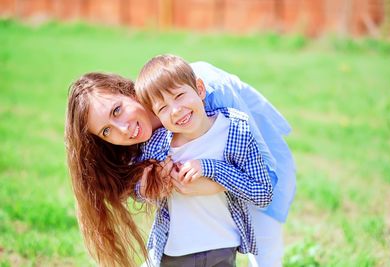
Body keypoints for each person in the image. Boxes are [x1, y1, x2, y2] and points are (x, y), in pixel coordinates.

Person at [65, 59, 295, 267]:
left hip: (262, 165)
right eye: (106, 130)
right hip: (195, 241)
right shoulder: (145, 140)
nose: (123, 128)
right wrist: (147, 187)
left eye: (117, 110)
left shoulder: (207, 101)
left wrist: (214, 182)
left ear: (130, 92)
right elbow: (134, 182)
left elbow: (265, 182)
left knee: (266, 256)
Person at [133, 54, 274, 266]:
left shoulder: (234, 130)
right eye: (162, 108)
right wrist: (154, 180)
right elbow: (138, 193)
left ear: (200, 89)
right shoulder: (158, 145)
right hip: (174, 251)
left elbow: (263, 193)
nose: (175, 110)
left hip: (222, 246)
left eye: (179, 95)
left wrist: (212, 168)